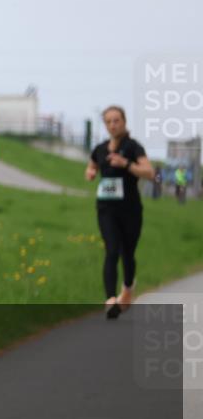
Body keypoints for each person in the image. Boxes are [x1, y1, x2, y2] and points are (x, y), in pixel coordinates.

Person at [84, 106, 154, 319]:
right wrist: (91, 172)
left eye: (117, 120)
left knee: (128, 254)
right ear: (105, 125)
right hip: (106, 208)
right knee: (112, 249)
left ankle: (128, 288)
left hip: (130, 209)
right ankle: (110, 300)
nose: (113, 124)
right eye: (109, 121)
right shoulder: (100, 149)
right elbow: (91, 166)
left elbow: (149, 172)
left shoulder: (133, 147)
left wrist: (126, 164)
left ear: (124, 121)